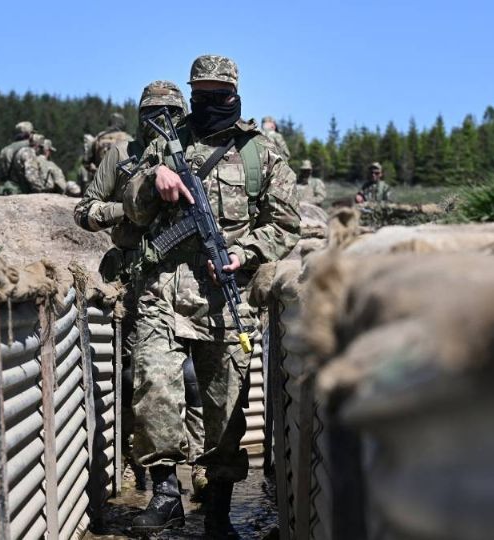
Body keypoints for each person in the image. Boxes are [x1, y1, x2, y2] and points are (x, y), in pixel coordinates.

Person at [123, 55, 300, 536]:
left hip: (227, 299)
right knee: (153, 388)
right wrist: (150, 181)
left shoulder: (258, 153)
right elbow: (132, 211)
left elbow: (285, 223)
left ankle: (218, 511)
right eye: (199, 94)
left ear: (235, 94)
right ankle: (165, 493)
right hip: (162, 291)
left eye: (218, 95)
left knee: (226, 410)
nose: (208, 102)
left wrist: (244, 254)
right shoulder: (164, 143)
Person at [74, 79, 203, 494]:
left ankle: (199, 463)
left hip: (188, 280)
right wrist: (130, 208)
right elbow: (84, 210)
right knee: (136, 375)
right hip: (134, 278)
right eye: (152, 113)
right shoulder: (122, 155)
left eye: (170, 113)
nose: (160, 121)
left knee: (194, 377)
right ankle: (134, 462)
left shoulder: (195, 154)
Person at [83, 112, 133, 192]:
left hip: (99, 185)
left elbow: (86, 162)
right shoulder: (128, 138)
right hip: (121, 186)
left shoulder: (98, 138)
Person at [0, 121, 43, 194]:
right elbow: (31, 177)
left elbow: (1, 175)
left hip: (9, 190)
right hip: (23, 191)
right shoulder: (28, 149)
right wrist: (39, 190)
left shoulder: (5, 150)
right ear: (30, 134)